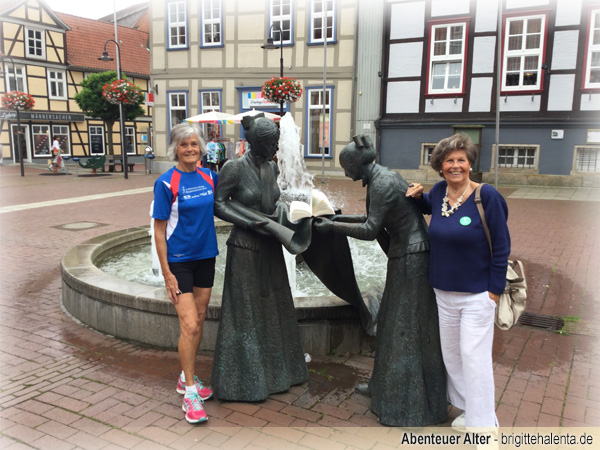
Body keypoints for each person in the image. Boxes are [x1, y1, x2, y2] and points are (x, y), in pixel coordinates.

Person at [314, 135, 447, 427]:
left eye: (347, 167)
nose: (346, 174)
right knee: (388, 320)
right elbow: (370, 217)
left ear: (357, 163)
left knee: (404, 326)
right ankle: (381, 385)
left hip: (412, 257)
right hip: (405, 254)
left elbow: (371, 229)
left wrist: (332, 228)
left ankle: (407, 399)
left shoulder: (383, 182)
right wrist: (332, 217)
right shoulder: (382, 176)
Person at [406, 133, 510, 430]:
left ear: (470, 164)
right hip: (443, 292)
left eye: (461, 160)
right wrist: (417, 195)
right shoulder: (439, 192)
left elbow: (501, 246)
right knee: (453, 357)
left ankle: (484, 426)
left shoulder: (486, 196)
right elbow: (432, 208)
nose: (455, 165)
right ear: (440, 166)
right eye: (449, 160)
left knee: (474, 359)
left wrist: (494, 291)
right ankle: (467, 409)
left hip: (478, 294)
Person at [211, 115, 308, 401]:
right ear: (256, 143)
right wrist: (247, 222)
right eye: (271, 145)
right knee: (245, 314)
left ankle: (279, 374)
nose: (276, 150)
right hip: (244, 247)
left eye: (276, 145)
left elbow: (273, 201)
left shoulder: (270, 166)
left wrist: (290, 215)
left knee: (274, 307)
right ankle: (243, 383)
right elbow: (218, 204)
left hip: (270, 244)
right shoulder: (233, 168)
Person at [152, 122, 218, 424]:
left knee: (200, 318)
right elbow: (159, 230)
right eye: (183, 145)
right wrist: (166, 272)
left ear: (201, 148)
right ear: (175, 149)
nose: (190, 149)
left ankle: (184, 376)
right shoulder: (167, 183)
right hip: (179, 261)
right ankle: (190, 391)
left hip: (207, 257)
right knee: (190, 324)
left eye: (194, 144)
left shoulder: (210, 176)